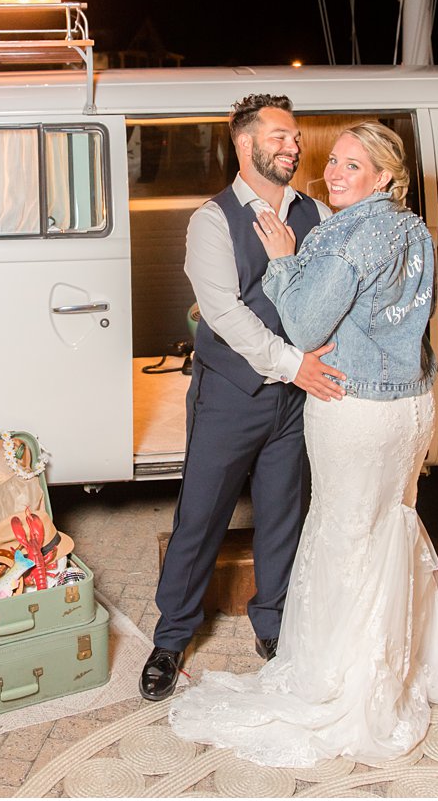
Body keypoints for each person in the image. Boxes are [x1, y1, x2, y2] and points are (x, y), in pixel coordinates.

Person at [169, 121, 438, 765]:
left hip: (353, 404)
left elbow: (307, 319)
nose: (329, 171)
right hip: (396, 402)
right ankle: (396, 662)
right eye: (332, 161)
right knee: (380, 525)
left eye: (351, 164)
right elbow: (229, 311)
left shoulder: (340, 226)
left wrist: (287, 260)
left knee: (338, 532)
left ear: (384, 176)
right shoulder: (410, 229)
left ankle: (343, 675)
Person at [142, 93, 343, 702]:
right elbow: (224, 313)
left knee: (283, 515)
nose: (292, 145)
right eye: (279, 135)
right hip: (233, 394)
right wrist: (293, 366)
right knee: (200, 518)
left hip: (295, 398)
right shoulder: (212, 219)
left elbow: (329, 291)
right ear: (244, 143)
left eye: (295, 136)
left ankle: (274, 627)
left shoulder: (316, 213)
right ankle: (172, 638)